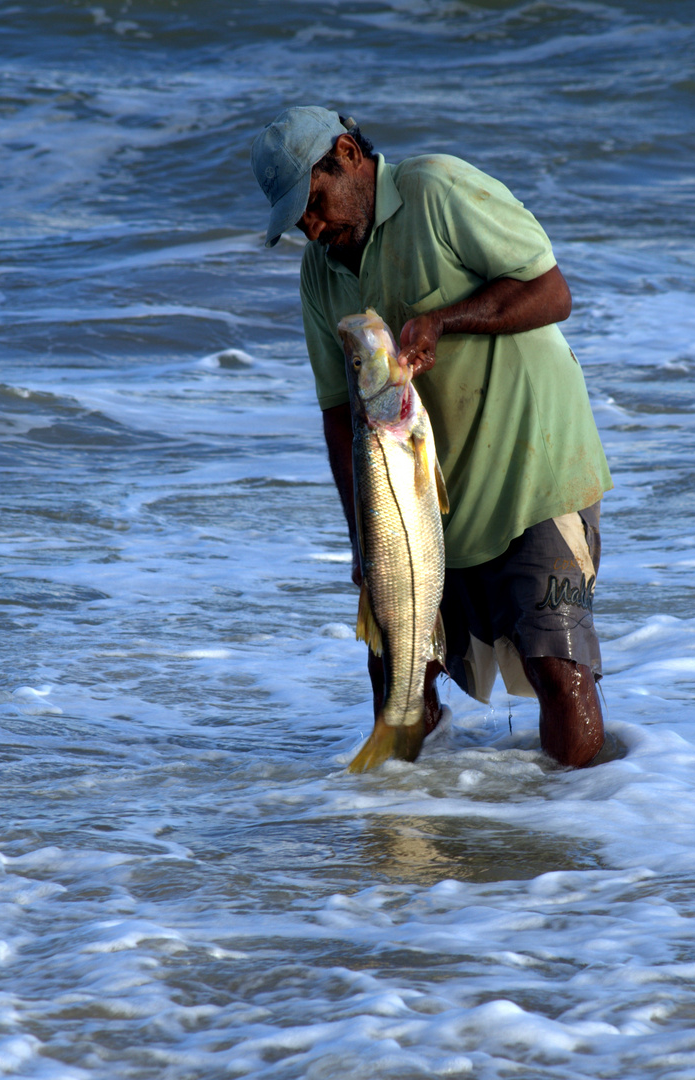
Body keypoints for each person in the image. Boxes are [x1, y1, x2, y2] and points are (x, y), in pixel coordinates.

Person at [250, 106, 613, 768]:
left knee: (558, 672)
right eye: (295, 221)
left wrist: (444, 321)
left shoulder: (438, 191)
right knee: (398, 680)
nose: (310, 227)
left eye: (312, 203)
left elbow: (552, 292)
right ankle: (414, 840)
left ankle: (578, 850)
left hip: (530, 474)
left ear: (348, 156)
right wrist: (364, 542)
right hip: (412, 508)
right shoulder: (320, 273)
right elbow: (339, 410)